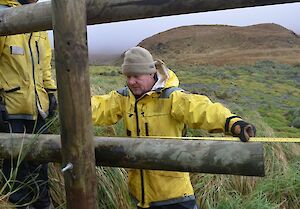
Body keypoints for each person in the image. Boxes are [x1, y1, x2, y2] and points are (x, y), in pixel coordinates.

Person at [91, 46, 256, 209]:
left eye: (135, 76)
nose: (130, 82)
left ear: (151, 73)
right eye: (127, 76)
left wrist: (233, 123)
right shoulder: (123, 98)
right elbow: (96, 108)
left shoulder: (172, 97)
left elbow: (202, 110)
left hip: (174, 198)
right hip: (140, 197)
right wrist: (69, 105)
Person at [0, 0, 57, 209]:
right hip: (10, 109)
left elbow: (45, 66)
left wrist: (51, 92)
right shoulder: (3, 16)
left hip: (38, 110)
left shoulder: (40, 22)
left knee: (40, 165)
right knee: (15, 170)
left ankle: (43, 204)